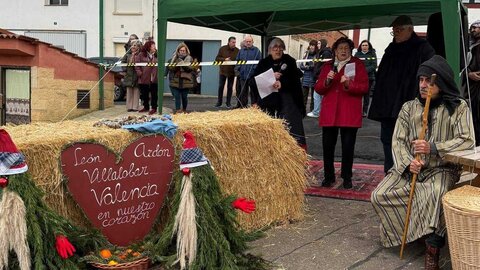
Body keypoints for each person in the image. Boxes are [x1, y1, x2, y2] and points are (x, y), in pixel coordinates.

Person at [371, 55, 475, 270]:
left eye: (429, 81)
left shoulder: (458, 107)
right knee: (379, 195)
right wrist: (409, 163)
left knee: (434, 192)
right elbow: (398, 141)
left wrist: (433, 148)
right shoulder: (409, 108)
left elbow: (467, 140)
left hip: (442, 168)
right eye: (421, 80)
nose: (423, 85)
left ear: (442, 83)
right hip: (411, 168)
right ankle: (417, 230)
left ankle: (432, 248)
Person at [368, 15, 435, 173]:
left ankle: (406, 175)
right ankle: (390, 173)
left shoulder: (423, 48)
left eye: (399, 30)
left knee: (408, 143)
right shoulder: (390, 50)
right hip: (388, 108)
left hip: (410, 107)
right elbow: (381, 75)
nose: (396, 33)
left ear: (410, 29)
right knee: (388, 142)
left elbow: (429, 76)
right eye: (394, 31)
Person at [314, 37, 369, 189]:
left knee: (348, 147)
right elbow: (318, 88)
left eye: (346, 48)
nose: (343, 51)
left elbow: (364, 88)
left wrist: (348, 84)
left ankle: (347, 177)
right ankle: (328, 176)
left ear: (350, 50)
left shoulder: (358, 64)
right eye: (340, 48)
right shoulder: (328, 66)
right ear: (335, 51)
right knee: (327, 147)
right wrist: (327, 81)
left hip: (349, 113)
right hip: (330, 112)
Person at [251, 37, 307, 149]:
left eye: (280, 47)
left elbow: (295, 80)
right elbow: (253, 82)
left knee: (290, 131)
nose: (278, 50)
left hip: (287, 102)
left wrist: (283, 84)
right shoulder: (264, 63)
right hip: (268, 102)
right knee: (268, 132)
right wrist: (269, 76)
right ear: (269, 50)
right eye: (275, 47)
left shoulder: (289, 61)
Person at [167, 42, 196, 113]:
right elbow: (170, 68)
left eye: (184, 50)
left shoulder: (189, 58)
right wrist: (177, 65)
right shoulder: (174, 58)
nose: (182, 52)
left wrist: (183, 65)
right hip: (175, 80)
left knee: (184, 97)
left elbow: (190, 69)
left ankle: (184, 109)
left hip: (185, 81)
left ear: (186, 51)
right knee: (177, 96)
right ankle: (178, 110)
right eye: (181, 50)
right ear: (178, 51)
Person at [234, 35, 262, 108]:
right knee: (243, 92)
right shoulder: (241, 51)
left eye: (250, 41)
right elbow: (237, 61)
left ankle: (254, 106)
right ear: (244, 42)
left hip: (253, 76)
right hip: (243, 75)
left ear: (252, 42)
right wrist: (238, 70)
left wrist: (253, 70)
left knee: (253, 92)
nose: (248, 43)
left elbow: (260, 62)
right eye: (247, 41)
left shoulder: (257, 51)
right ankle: (244, 106)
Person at [308, 39, 333, 118]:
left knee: (317, 94)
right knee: (319, 95)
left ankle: (317, 112)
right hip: (320, 76)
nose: (317, 45)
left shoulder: (326, 53)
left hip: (322, 77)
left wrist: (318, 73)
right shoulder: (322, 52)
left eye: (319, 43)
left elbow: (324, 65)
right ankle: (320, 111)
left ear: (323, 44)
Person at [466, 19, 480, 146]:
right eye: (472, 28)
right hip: (473, 88)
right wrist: (469, 73)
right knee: (473, 116)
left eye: (476, 27)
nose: (473, 30)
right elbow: (464, 66)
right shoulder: (469, 46)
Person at [354, 40, 377, 117]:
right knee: (358, 94)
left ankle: (364, 111)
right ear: (360, 46)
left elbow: (374, 65)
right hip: (359, 78)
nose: (364, 47)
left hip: (369, 78)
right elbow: (354, 64)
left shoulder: (372, 54)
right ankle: (357, 110)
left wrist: (364, 71)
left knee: (366, 95)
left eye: (366, 45)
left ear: (369, 46)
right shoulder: (357, 54)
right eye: (363, 45)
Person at [215, 37, 239, 108]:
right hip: (223, 71)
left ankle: (228, 103)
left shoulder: (237, 50)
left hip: (231, 72)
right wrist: (224, 59)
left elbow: (239, 61)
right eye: (233, 42)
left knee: (230, 87)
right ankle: (219, 102)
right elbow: (217, 59)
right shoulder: (222, 49)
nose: (234, 44)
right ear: (229, 42)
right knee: (221, 87)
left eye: (235, 42)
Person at [135, 40, 158, 115]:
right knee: (145, 94)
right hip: (144, 78)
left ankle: (154, 108)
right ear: (149, 47)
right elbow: (137, 65)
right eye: (153, 45)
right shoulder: (141, 55)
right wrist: (140, 73)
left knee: (154, 94)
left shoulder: (156, 54)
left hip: (154, 77)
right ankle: (146, 107)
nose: (154, 47)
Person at [122, 39, 142, 112]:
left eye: (135, 45)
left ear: (138, 46)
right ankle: (129, 107)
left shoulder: (140, 54)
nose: (133, 47)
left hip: (137, 75)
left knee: (136, 91)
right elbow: (123, 62)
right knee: (129, 91)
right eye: (132, 45)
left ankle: (135, 107)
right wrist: (125, 70)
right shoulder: (127, 54)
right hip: (129, 75)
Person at [300, 40, 318, 114]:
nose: (311, 47)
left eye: (313, 45)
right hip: (306, 78)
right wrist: (308, 67)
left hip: (313, 78)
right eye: (310, 45)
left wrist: (307, 67)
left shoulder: (317, 55)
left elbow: (314, 66)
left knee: (314, 97)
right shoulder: (306, 54)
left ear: (315, 46)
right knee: (304, 96)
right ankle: (303, 111)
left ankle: (312, 111)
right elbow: (301, 65)